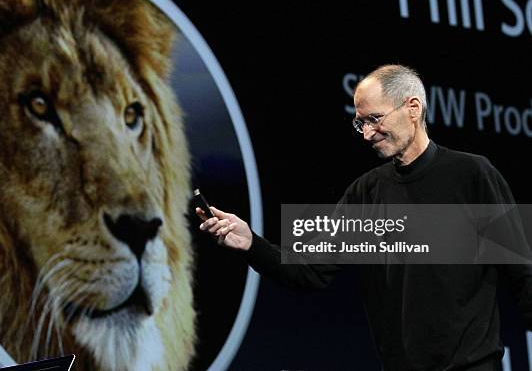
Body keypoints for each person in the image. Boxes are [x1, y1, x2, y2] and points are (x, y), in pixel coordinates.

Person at [196, 64, 532, 371]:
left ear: (413, 109)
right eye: (361, 123)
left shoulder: (472, 175)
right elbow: (309, 269)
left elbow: (523, 272)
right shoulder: (366, 194)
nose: (367, 133)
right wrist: (250, 242)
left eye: (375, 119)